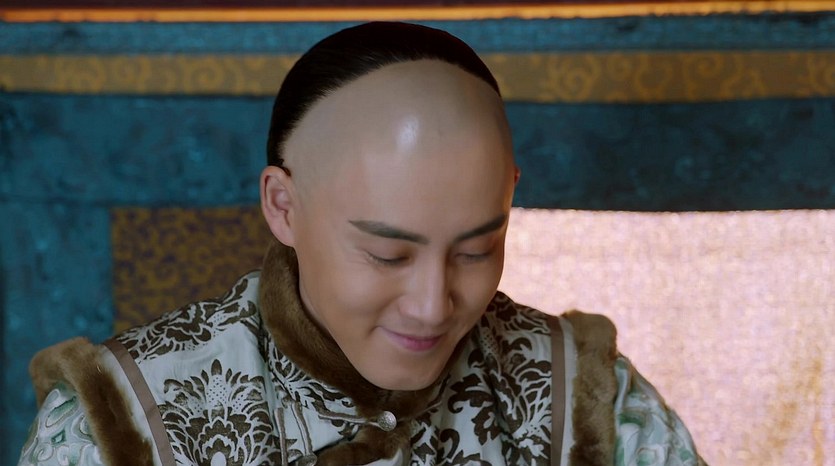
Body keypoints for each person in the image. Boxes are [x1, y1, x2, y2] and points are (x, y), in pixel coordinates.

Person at [18, 22, 704, 466]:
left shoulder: (593, 403)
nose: (432, 305)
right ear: (282, 206)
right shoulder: (117, 423)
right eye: (387, 255)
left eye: (476, 250)